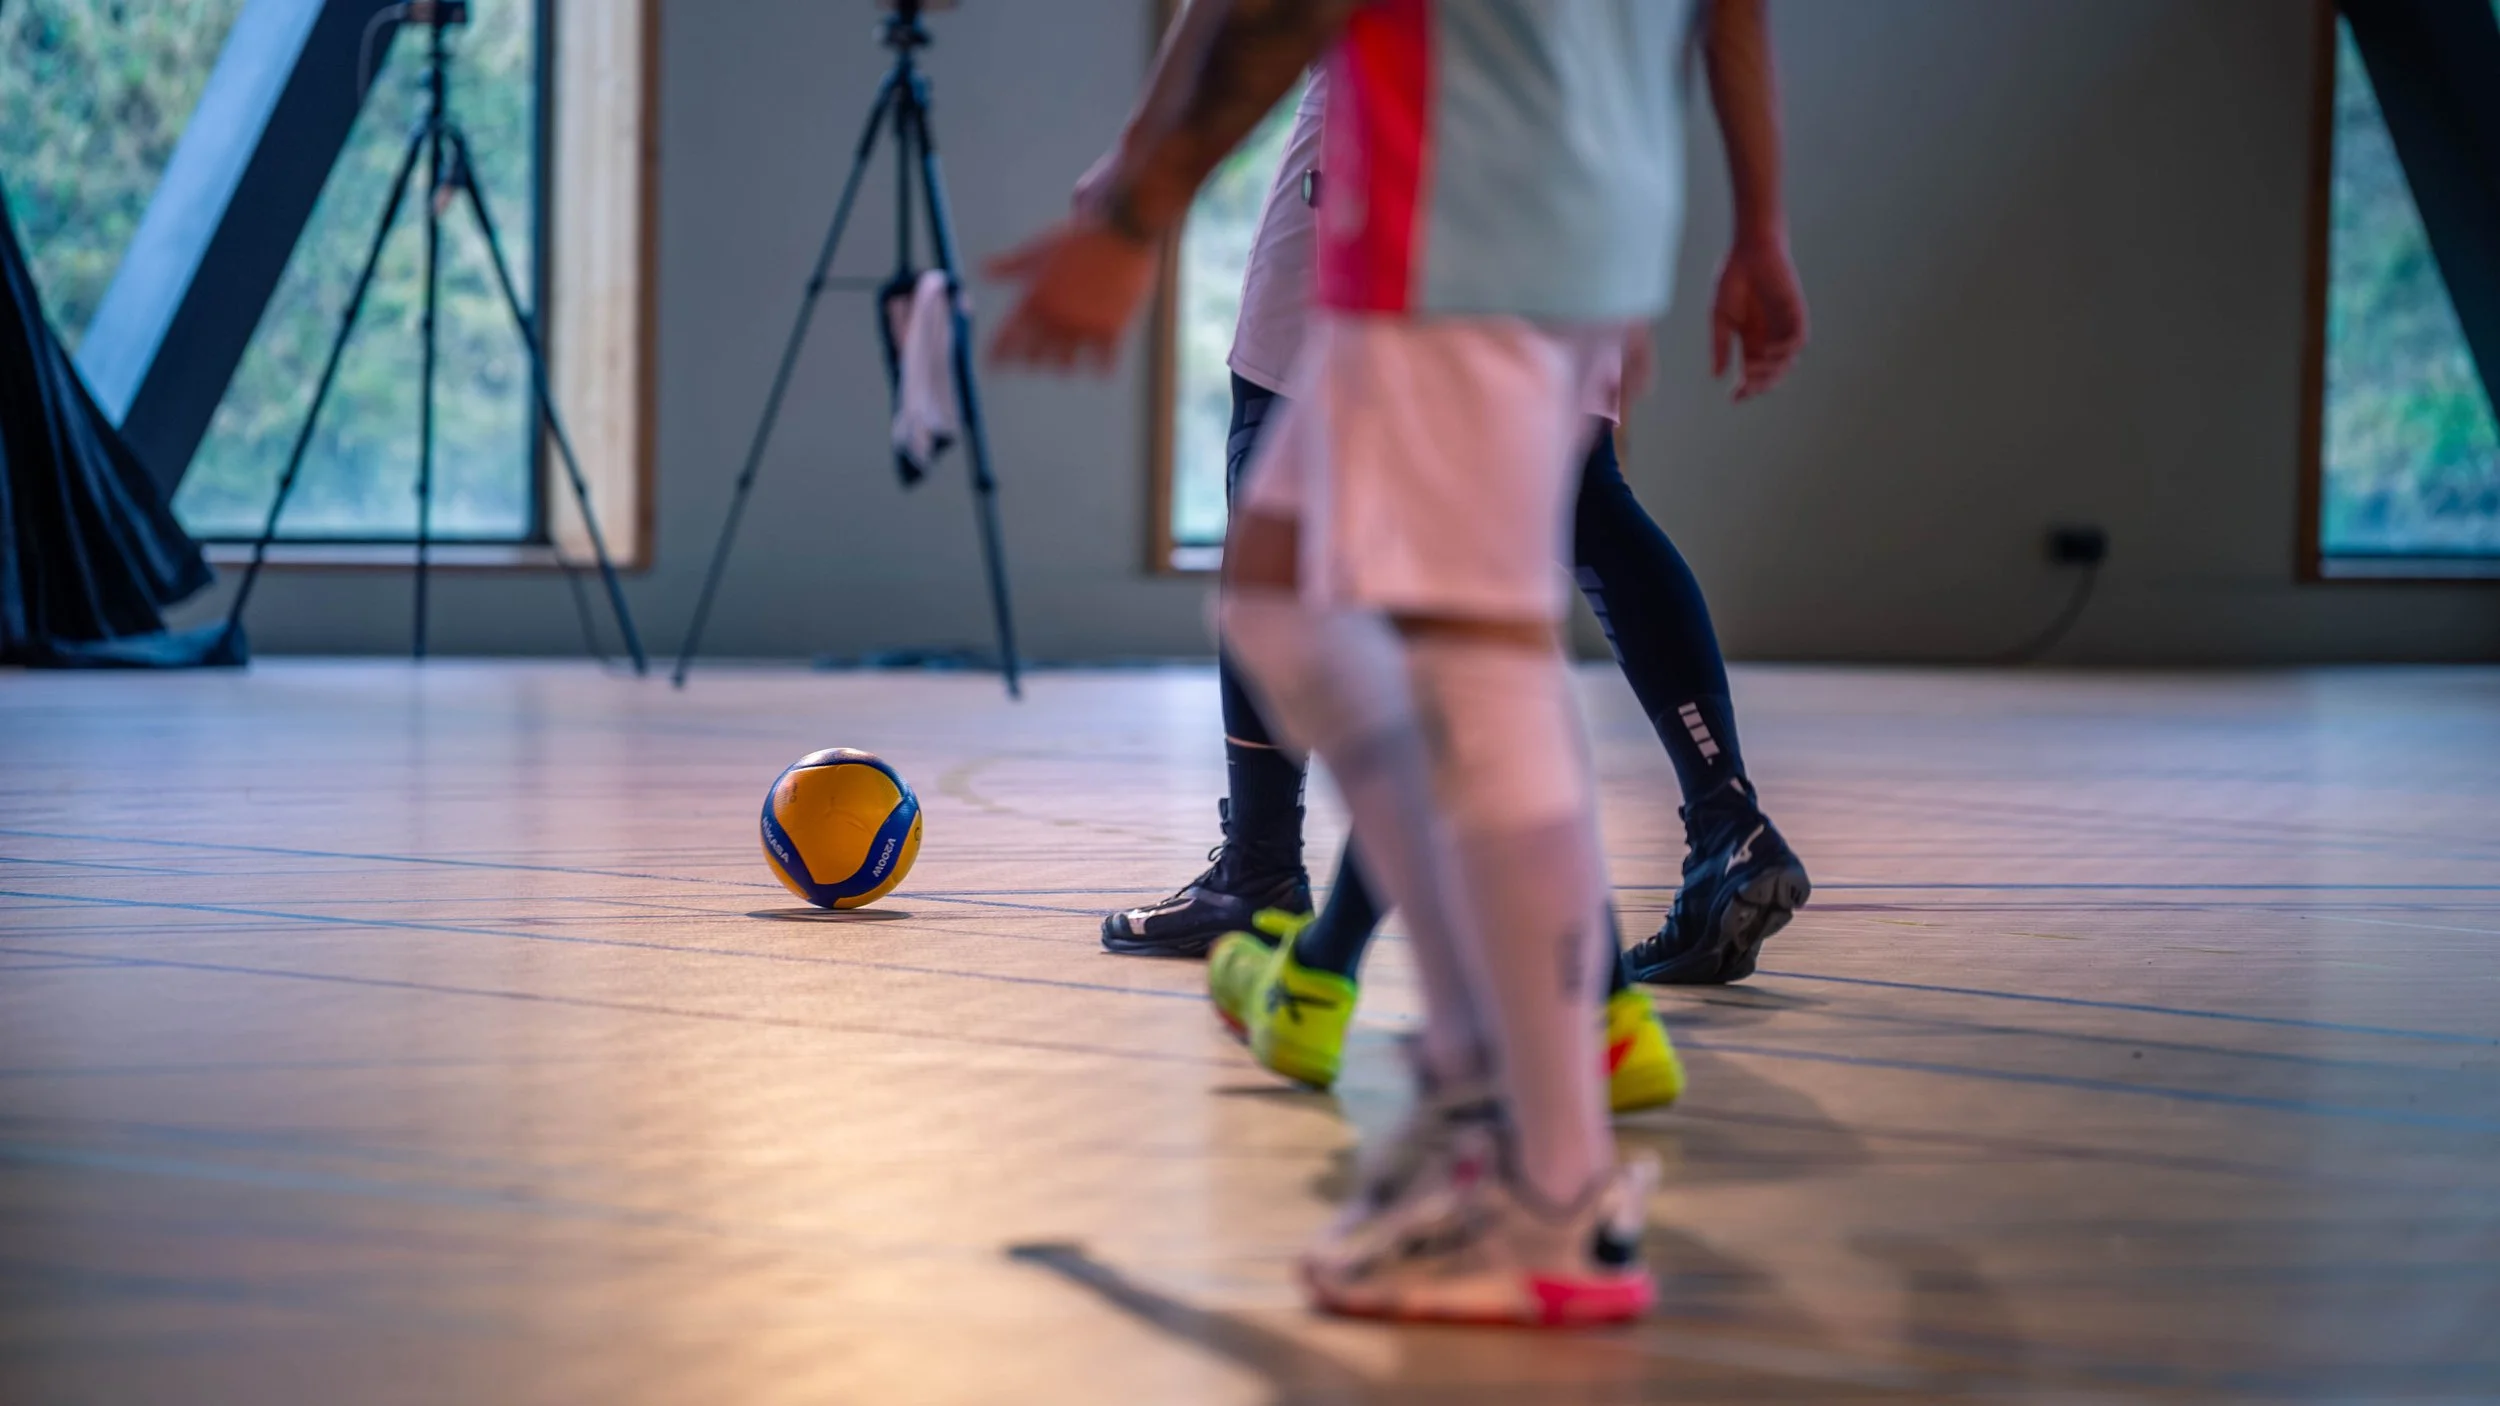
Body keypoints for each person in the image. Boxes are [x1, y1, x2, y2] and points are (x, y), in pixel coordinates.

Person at [991, 0, 1801, 1327]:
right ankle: (1507, 1051)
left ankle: (1545, 1179)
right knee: (1284, 589)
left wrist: (1140, 209)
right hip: (1568, 186)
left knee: (1468, 647)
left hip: (1458, 202)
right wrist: (1751, 222)